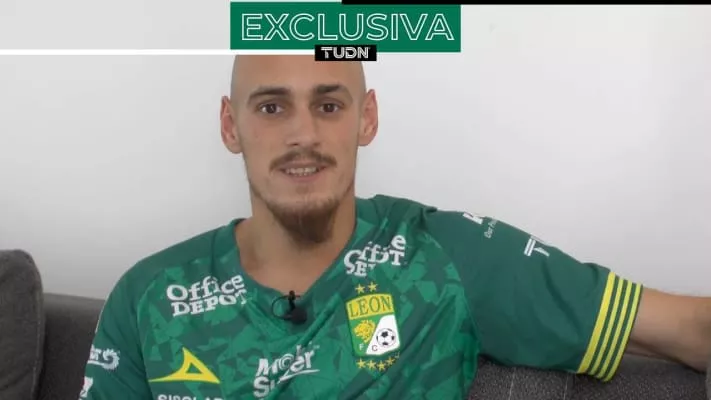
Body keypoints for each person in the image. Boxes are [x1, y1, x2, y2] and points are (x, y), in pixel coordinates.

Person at [80, 55, 710, 400]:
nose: (303, 134)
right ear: (230, 125)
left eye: (329, 105)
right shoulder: (148, 296)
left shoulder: (445, 255)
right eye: (271, 106)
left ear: (367, 118)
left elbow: (690, 329)